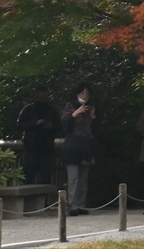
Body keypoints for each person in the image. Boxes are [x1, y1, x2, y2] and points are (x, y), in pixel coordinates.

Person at [60, 83, 96, 215]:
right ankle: (72, 205)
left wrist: (94, 117)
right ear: (77, 94)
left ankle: (82, 204)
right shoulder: (70, 106)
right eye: (82, 93)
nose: (85, 96)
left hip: (86, 145)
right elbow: (64, 123)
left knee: (83, 178)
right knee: (73, 177)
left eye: (87, 93)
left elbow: (96, 126)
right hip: (73, 145)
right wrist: (74, 114)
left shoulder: (92, 107)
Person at [16, 86, 60, 186]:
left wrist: (51, 126)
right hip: (31, 149)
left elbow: (59, 126)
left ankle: (42, 201)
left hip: (46, 149)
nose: (43, 101)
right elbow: (19, 125)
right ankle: (28, 201)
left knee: (45, 179)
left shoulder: (52, 110)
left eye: (45, 99)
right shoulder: (28, 109)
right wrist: (34, 123)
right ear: (36, 98)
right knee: (27, 178)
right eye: (41, 99)